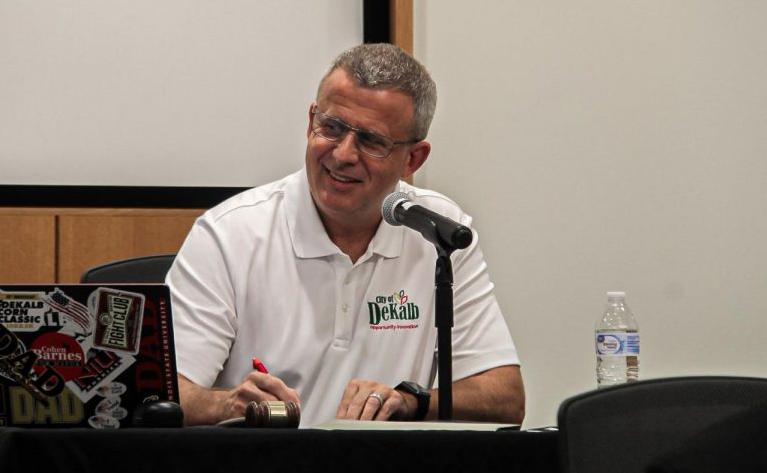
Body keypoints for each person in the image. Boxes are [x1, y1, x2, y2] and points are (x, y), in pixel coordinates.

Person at [167, 43, 524, 428]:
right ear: (310, 123)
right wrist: (231, 405)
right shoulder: (229, 234)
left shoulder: (439, 231)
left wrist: (408, 402)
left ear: (413, 159)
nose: (342, 154)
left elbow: (504, 398)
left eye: (371, 141)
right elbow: (164, 399)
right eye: (332, 128)